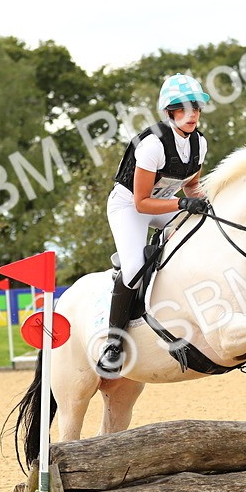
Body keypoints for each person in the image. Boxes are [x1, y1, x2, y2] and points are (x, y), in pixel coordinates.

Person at [97, 73, 212, 376]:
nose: (192, 115)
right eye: (184, 110)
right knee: (135, 267)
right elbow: (142, 203)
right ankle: (113, 343)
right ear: (170, 113)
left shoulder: (199, 143)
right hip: (130, 207)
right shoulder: (153, 144)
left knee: (203, 234)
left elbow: (191, 188)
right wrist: (183, 204)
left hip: (165, 204)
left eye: (196, 109)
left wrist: (209, 203)